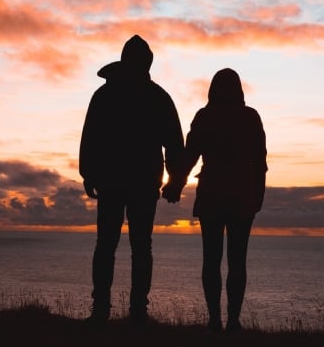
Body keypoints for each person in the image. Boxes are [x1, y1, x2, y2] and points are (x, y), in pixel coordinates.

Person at [79, 35, 185, 326]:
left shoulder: (106, 95)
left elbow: (91, 137)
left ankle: (105, 309)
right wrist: (174, 181)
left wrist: (88, 172)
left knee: (108, 245)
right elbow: (174, 143)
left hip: (116, 180)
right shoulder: (157, 97)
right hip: (139, 181)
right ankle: (134, 310)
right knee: (138, 246)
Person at [164, 68, 267, 332]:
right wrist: (257, 196)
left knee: (211, 259)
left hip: (212, 194)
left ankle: (215, 320)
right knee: (237, 259)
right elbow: (260, 163)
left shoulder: (205, 116)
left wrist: (175, 185)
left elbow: (189, 157)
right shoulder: (250, 117)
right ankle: (232, 321)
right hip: (242, 196)